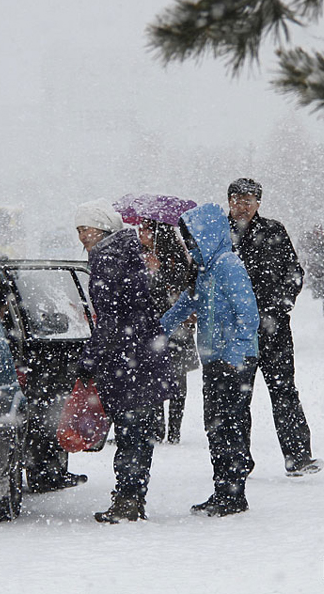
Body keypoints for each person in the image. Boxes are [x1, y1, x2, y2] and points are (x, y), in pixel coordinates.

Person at [74, 199, 175, 523]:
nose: (82, 237)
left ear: (102, 229)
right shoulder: (126, 253)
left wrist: (90, 358)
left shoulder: (108, 258)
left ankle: (128, 500)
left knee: (132, 435)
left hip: (129, 363)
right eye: (78, 230)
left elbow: (110, 320)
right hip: (142, 358)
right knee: (138, 434)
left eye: (86, 229)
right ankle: (131, 498)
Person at [161, 203, 259, 517]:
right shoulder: (204, 272)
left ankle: (234, 494)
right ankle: (223, 489)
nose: (190, 245)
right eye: (187, 240)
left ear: (208, 235)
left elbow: (249, 315)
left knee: (229, 425)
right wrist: (155, 330)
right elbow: (183, 306)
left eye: (193, 238)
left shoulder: (228, 264)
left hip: (235, 360)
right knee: (215, 426)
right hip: (213, 360)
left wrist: (234, 354)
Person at [227, 177, 324, 477]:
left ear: (258, 203)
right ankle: (236, 463)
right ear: (228, 201)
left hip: (274, 330)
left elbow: (294, 272)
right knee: (236, 398)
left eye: (248, 200)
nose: (242, 206)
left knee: (284, 391)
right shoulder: (219, 234)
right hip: (236, 332)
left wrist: (281, 305)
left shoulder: (274, 231)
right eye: (236, 199)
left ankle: (298, 457)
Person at [137, 217, 200, 444]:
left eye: (145, 230)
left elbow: (178, 292)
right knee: (154, 378)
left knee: (178, 379)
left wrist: (158, 272)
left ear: (157, 234)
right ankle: (157, 428)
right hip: (153, 328)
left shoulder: (177, 260)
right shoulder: (139, 257)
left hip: (176, 328)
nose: (140, 233)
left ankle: (174, 430)